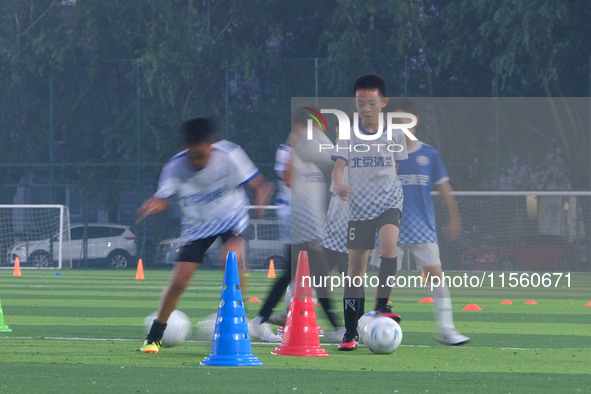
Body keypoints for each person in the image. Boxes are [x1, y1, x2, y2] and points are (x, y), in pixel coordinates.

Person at [137, 117, 274, 353]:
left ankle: (237, 326)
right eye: (194, 155)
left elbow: (261, 184)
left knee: (230, 260)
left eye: (203, 154)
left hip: (231, 218)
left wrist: (261, 200)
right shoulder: (175, 166)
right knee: (179, 282)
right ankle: (155, 336)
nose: (199, 160)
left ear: (212, 143)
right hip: (197, 226)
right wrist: (155, 205)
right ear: (184, 146)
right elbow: (163, 198)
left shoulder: (230, 154)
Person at [248, 108, 343, 342]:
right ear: (302, 127)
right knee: (316, 273)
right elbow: (288, 180)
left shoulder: (315, 155)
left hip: (311, 224)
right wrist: (293, 143)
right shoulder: (286, 150)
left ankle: (262, 320)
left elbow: (317, 187)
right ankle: (336, 328)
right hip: (294, 220)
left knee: (296, 274)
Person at [331, 74, 407, 351]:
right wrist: (339, 182)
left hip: (389, 202)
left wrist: (385, 189)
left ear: (383, 103)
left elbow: (396, 168)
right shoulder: (348, 134)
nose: (365, 109)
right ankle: (350, 332)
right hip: (359, 207)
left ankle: (382, 305)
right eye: (361, 103)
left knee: (389, 245)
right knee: (356, 270)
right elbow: (339, 165)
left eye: (371, 103)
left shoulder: (396, 134)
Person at [387, 97, 470, 345]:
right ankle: (375, 324)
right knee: (385, 280)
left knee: (436, 275)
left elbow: (445, 189)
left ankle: (446, 328)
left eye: (403, 122)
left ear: (415, 122)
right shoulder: (386, 155)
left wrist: (455, 219)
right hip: (392, 229)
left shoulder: (429, 154)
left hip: (424, 230)